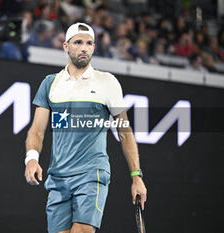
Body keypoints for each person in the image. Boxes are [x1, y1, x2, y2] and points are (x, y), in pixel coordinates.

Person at [24, 22, 147, 233]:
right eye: (78, 42)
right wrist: (32, 158)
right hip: (58, 177)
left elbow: (125, 133)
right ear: (65, 46)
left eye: (89, 43)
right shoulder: (50, 84)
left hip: (92, 174)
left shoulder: (107, 82)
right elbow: (37, 130)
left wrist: (136, 176)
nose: (84, 47)